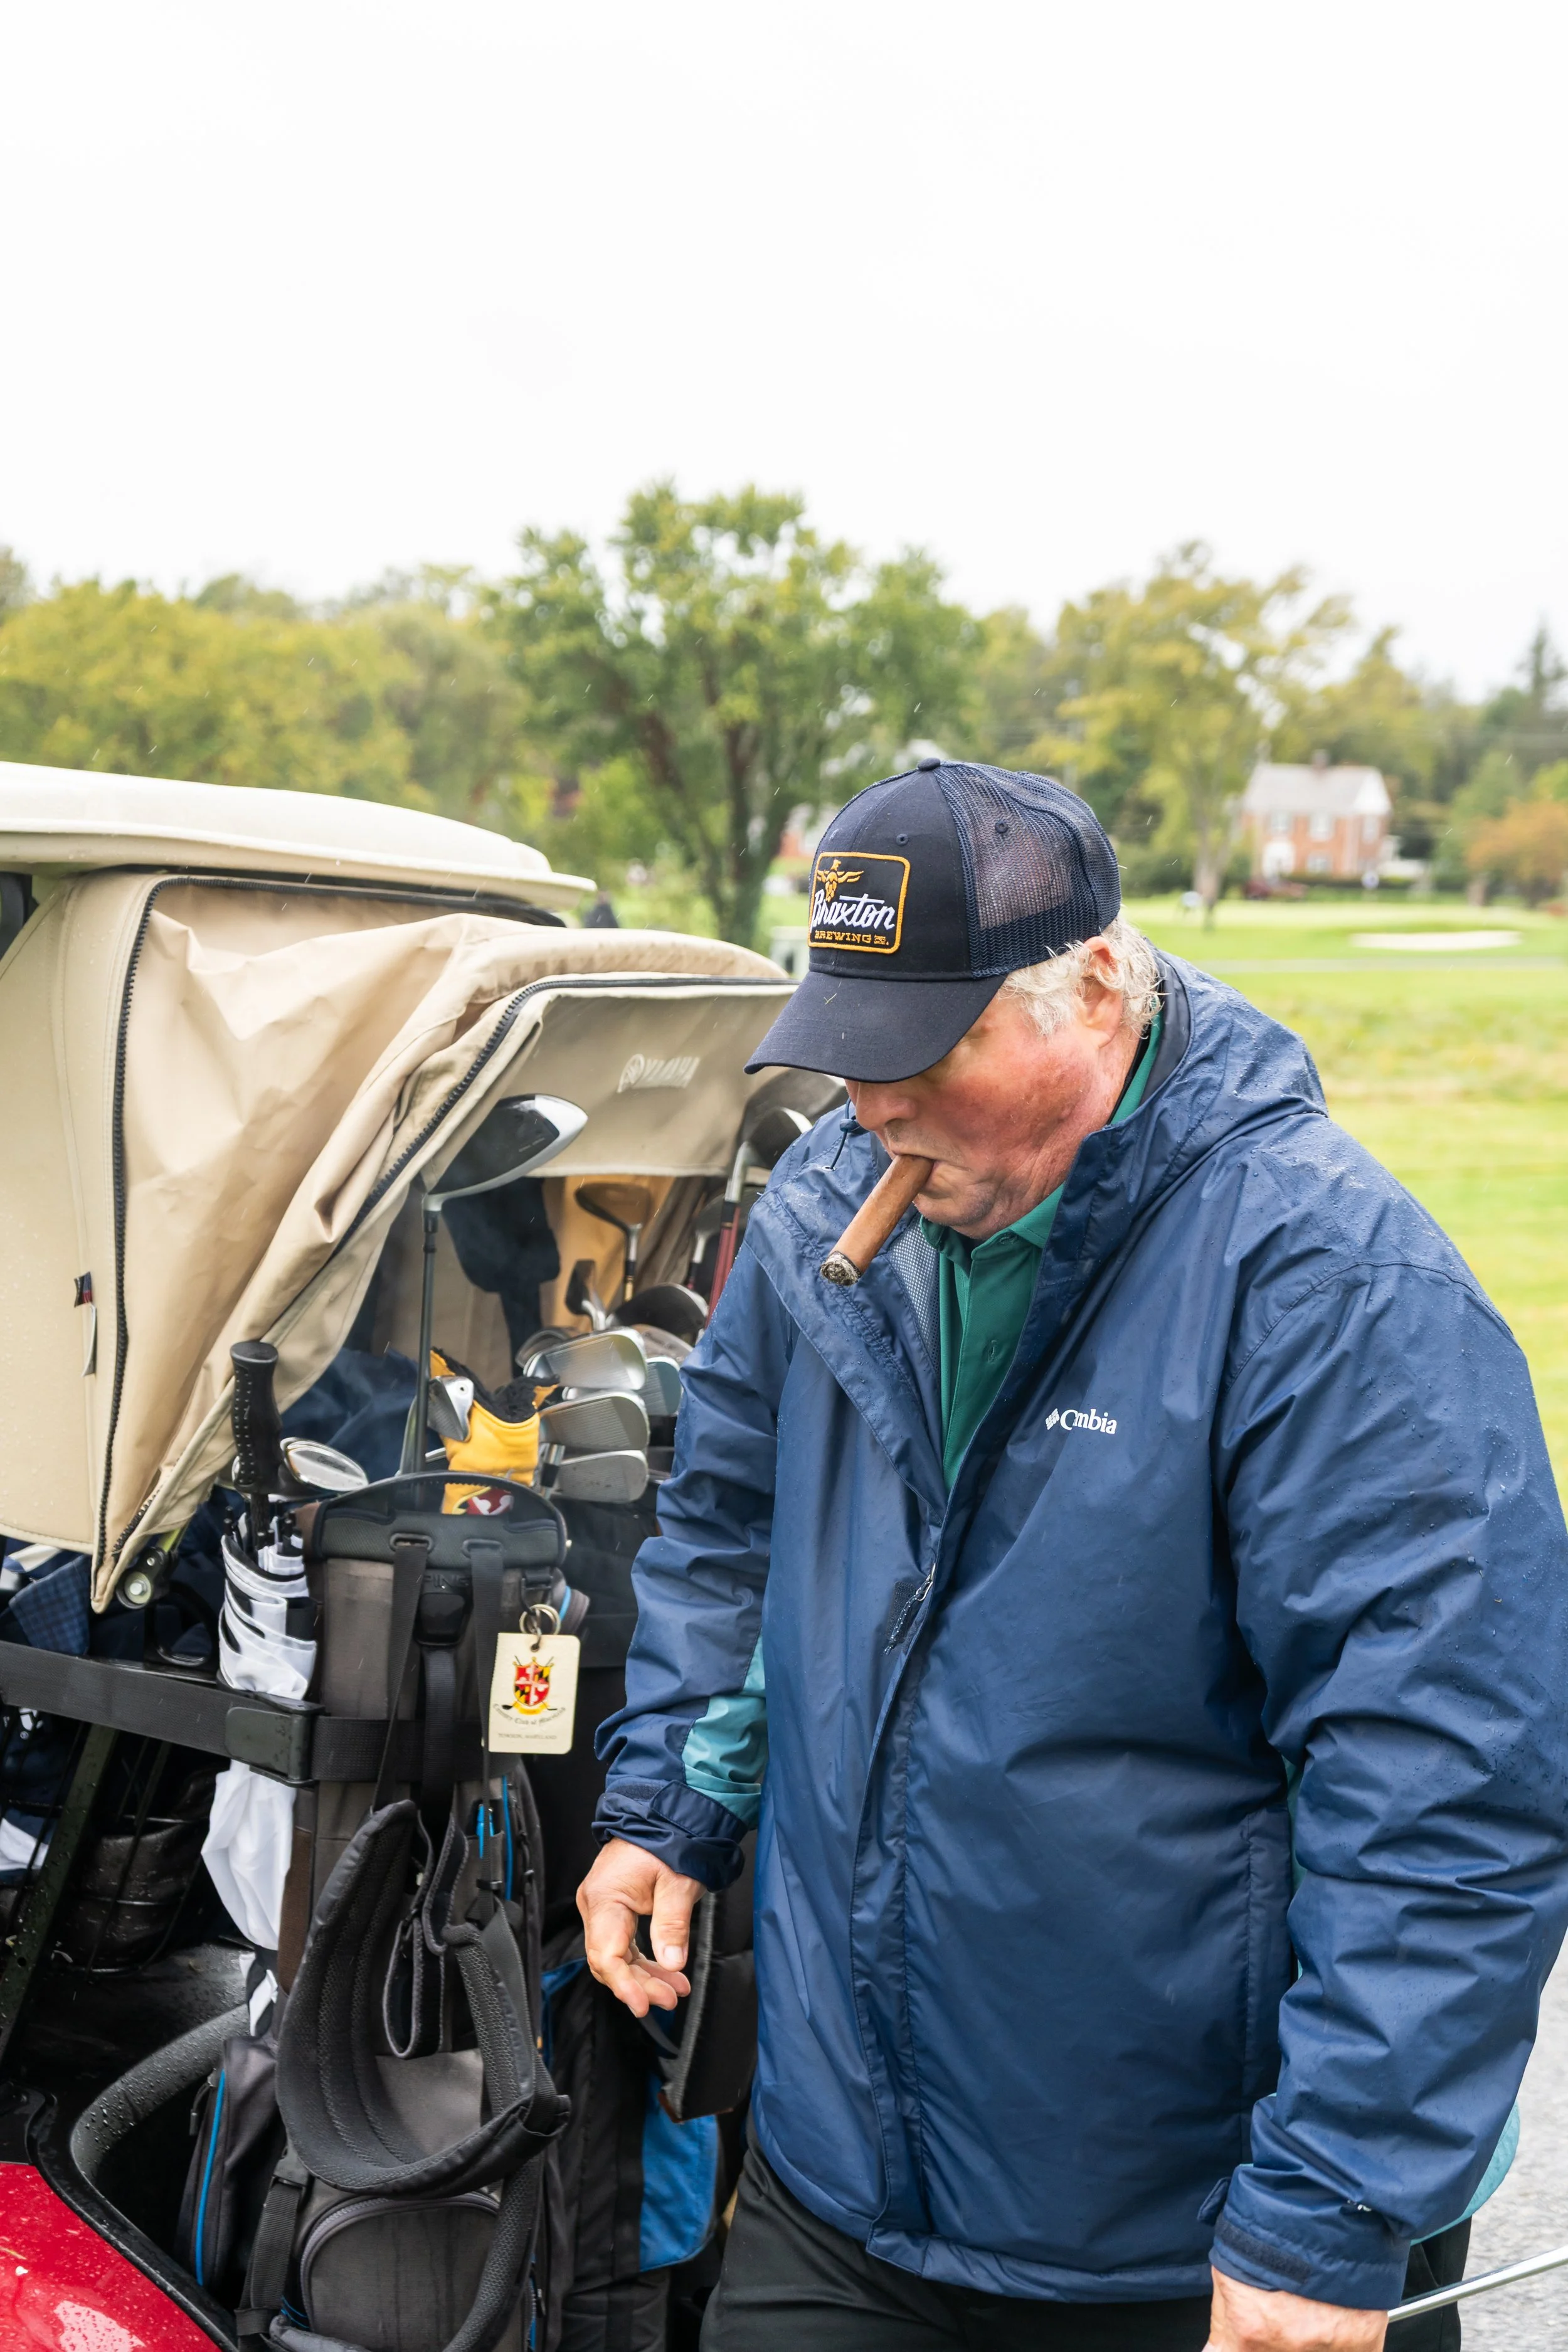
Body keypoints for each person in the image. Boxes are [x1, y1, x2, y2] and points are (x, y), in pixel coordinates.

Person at [578, 760, 1568, 2352]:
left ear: (1095, 984)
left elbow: (1443, 1785)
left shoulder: (1331, 1285)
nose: (871, 1107)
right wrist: (667, 1808)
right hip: (839, 2187)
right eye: (846, 1053)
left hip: (1185, 2246)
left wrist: (1326, 2211)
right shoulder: (821, 1209)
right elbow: (728, 1531)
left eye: (925, 1051)